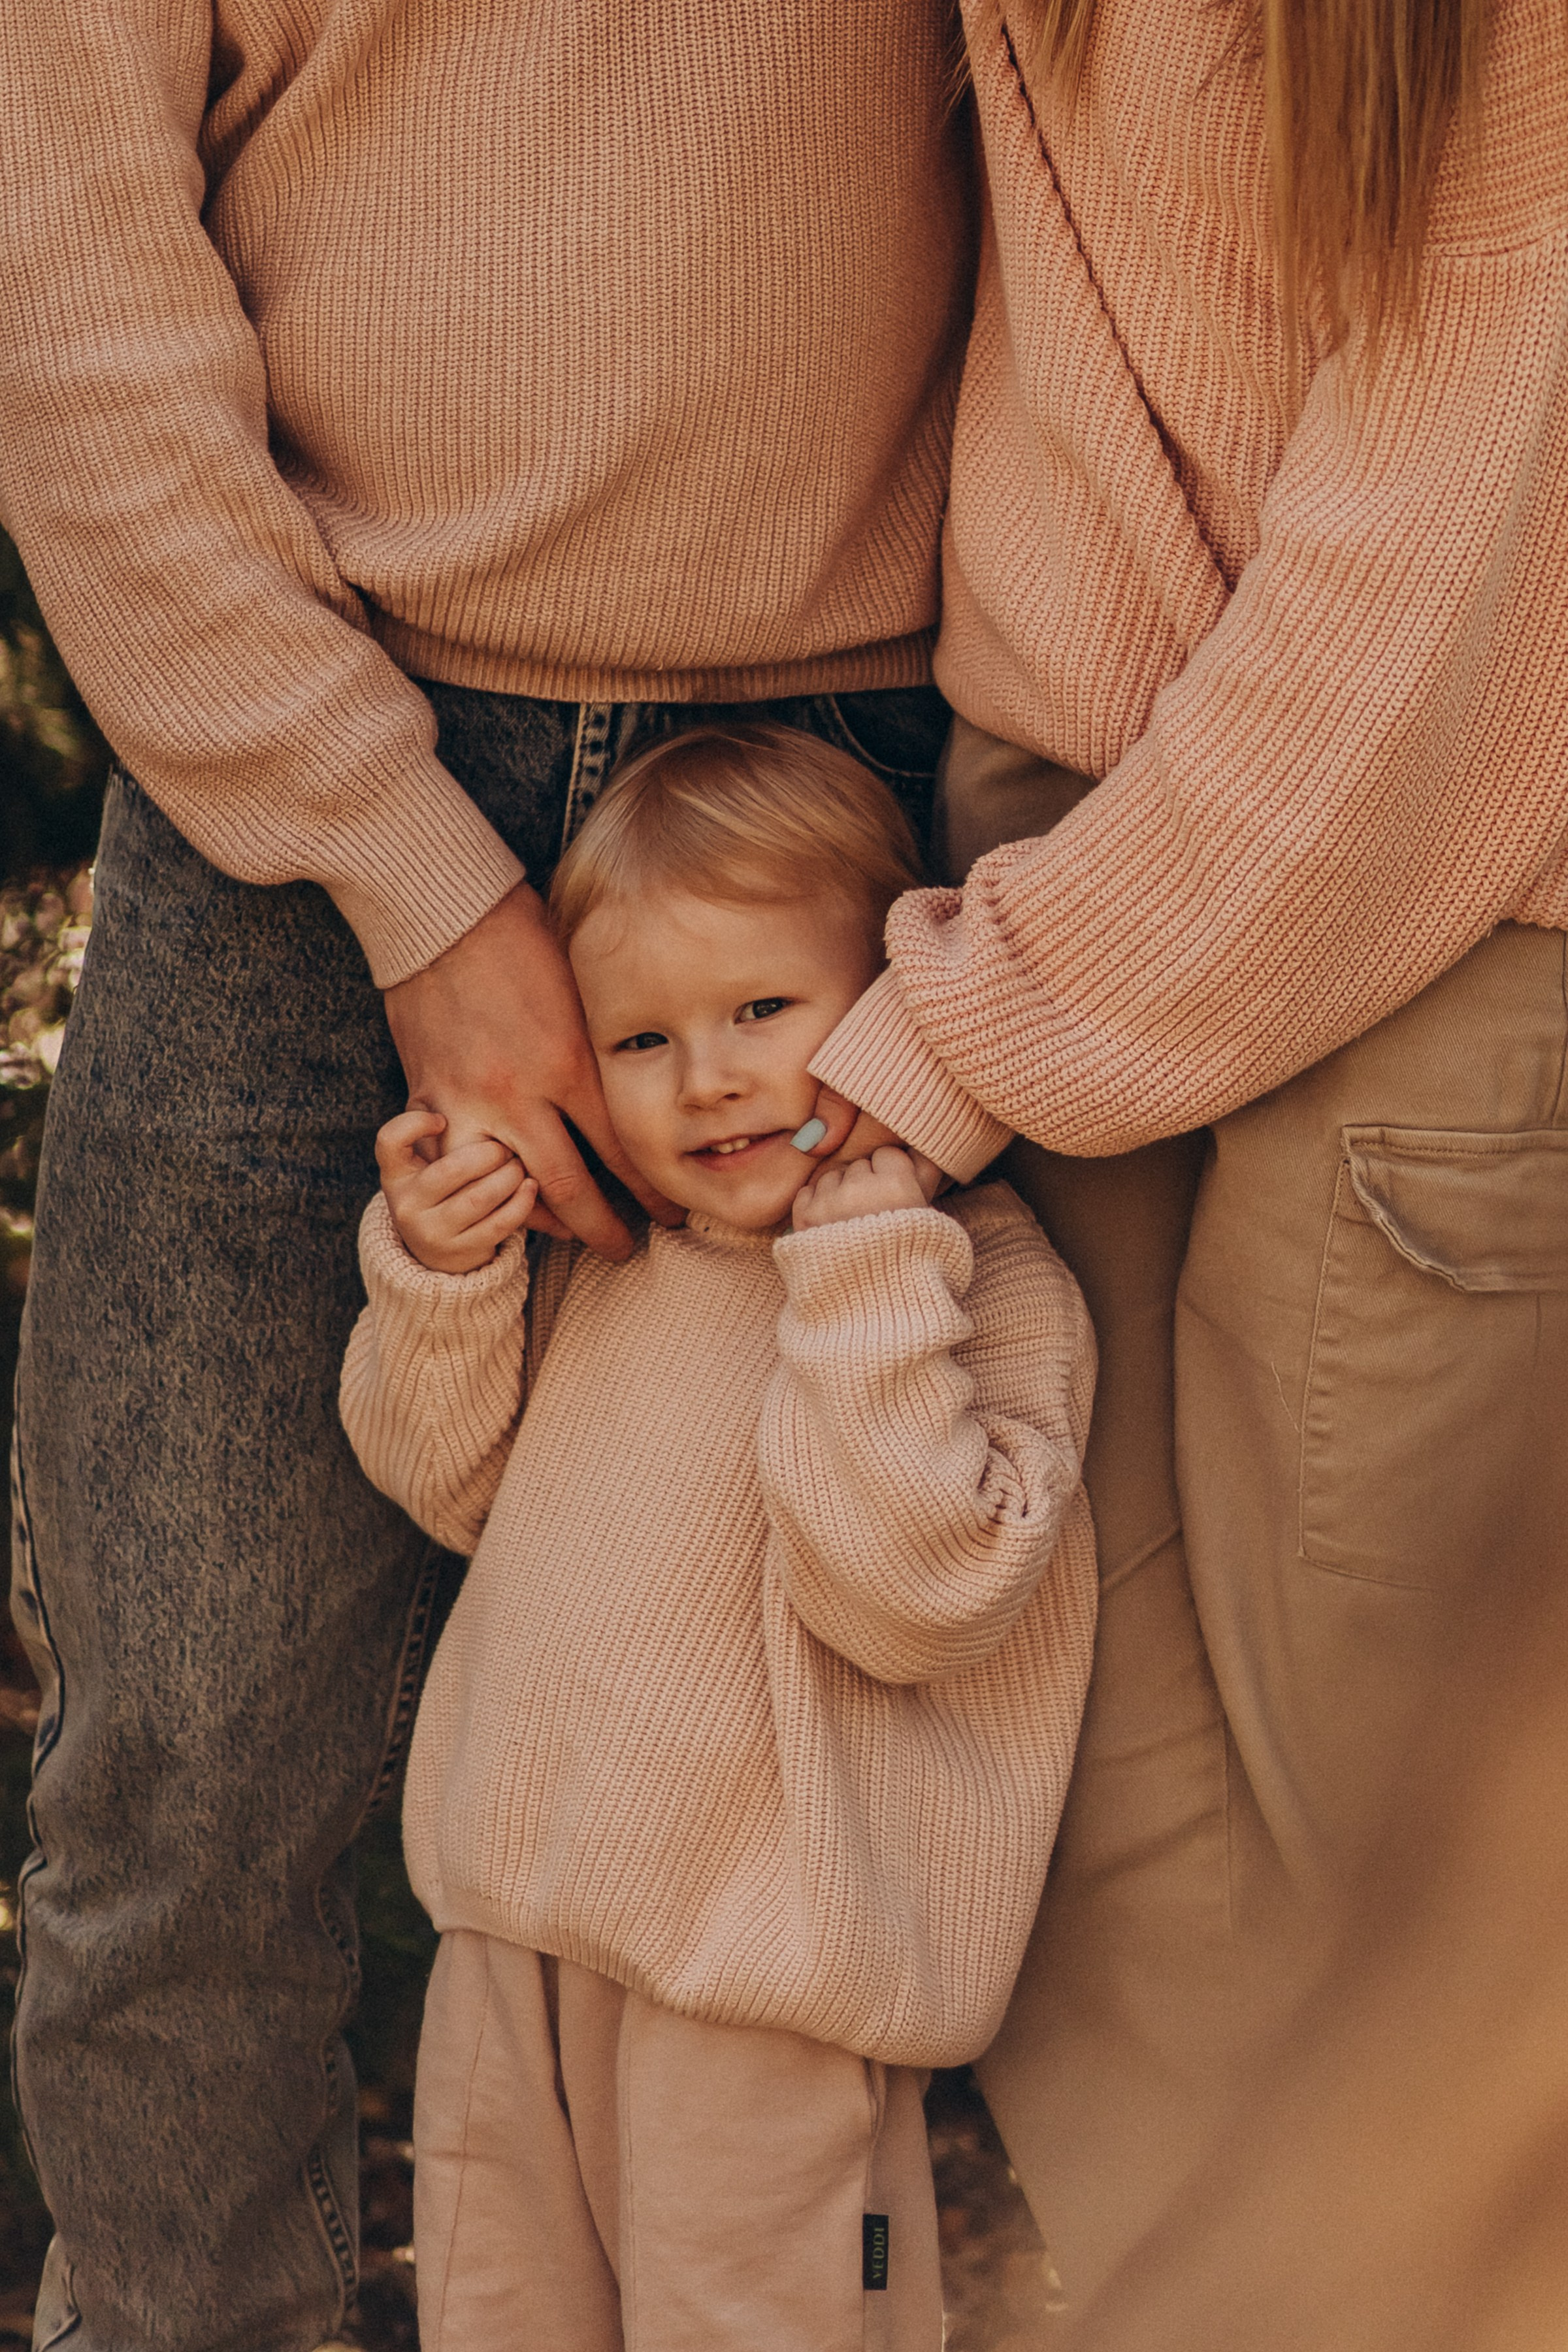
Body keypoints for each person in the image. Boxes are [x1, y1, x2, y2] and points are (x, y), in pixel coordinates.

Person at [0, 5, 974, 2341]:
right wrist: (401, 869)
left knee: (896, 1750)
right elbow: (65, 268)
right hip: (302, 767)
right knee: (187, 1790)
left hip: (862, 772)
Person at [793, 0, 1568, 2323]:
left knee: (1402, 1889)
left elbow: (1437, 607)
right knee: (1069, 1807)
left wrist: (965, 1016)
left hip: (1439, 876)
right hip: (1059, 819)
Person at [338, 724, 1098, 2352]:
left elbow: (917, 1596)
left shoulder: (966, 1275)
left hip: (768, 1985)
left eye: (764, 1009)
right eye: (641, 1039)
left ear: (889, 1009)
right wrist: (443, 1277)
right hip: (516, 1933)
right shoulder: (607, 1259)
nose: (711, 1077)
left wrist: (871, 1272)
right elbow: (440, 1481)